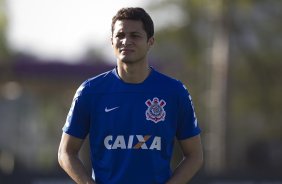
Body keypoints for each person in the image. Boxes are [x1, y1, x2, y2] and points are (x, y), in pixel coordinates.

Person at [58, 7, 203, 184]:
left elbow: (195, 155)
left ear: (150, 42)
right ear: (111, 41)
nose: (126, 41)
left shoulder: (175, 92)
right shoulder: (90, 91)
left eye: (135, 35)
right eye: (120, 35)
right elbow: (65, 152)